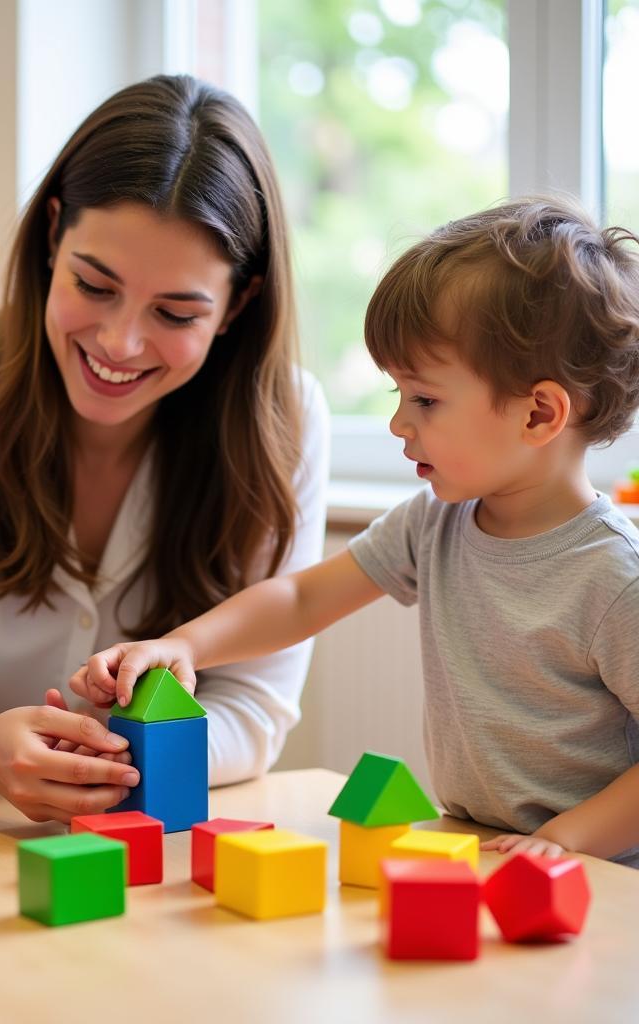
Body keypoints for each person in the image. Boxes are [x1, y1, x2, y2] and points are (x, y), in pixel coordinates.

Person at [0, 74, 330, 824]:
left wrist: (110, 761)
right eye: (94, 285)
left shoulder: (286, 422)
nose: (119, 342)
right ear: (51, 236)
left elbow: (256, 708)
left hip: (148, 855)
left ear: (237, 304)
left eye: (175, 311)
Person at [72, 197, 639, 868]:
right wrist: (185, 645)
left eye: (424, 399)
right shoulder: (435, 523)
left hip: (590, 874)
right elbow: (301, 601)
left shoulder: (613, 577)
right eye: (399, 395)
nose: (400, 423)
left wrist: (563, 841)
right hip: (479, 847)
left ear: (539, 413)